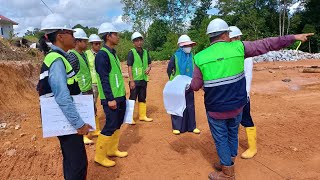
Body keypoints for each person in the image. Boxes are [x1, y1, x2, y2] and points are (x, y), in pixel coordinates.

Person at [190, 18, 313, 180]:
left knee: (221, 138)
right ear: (226, 34)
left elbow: (195, 86)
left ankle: (227, 172)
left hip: (216, 108)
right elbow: (268, 44)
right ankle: (229, 161)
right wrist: (293, 37)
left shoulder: (200, 57)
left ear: (210, 37)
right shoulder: (239, 47)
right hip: (238, 105)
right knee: (233, 134)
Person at [37, 13, 92, 180]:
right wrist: (79, 123)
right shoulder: (57, 60)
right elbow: (62, 97)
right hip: (66, 121)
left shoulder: (59, 57)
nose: (74, 37)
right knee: (77, 164)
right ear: (60, 36)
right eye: (71, 33)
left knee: (72, 160)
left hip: (64, 120)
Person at [94, 22, 128, 167]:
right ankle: (99, 156)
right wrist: (110, 99)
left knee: (118, 123)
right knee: (110, 124)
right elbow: (103, 79)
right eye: (116, 34)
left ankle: (112, 150)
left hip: (119, 95)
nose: (118, 37)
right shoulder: (102, 55)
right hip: (111, 98)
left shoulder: (112, 53)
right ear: (108, 36)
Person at [229, 26, 256, 159]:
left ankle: (252, 147)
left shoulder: (246, 54)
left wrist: (245, 94)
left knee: (245, 118)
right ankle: (233, 143)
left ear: (237, 38)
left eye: (232, 39)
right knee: (232, 119)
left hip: (242, 94)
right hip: (232, 93)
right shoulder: (231, 52)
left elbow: (248, 75)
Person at [167, 34, 200, 135]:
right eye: (186, 46)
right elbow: (169, 70)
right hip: (178, 86)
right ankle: (177, 127)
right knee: (178, 105)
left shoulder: (192, 57)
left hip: (189, 85)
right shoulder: (175, 57)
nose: (188, 48)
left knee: (190, 105)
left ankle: (192, 126)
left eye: (189, 45)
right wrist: (174, 81)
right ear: (181, 47)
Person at [67, 28, 95, 145]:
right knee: (82, 113)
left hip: (87, 88)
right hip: (80, 91)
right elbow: (68, 75)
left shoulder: (82, 54)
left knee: (89, 111)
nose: (86, 43)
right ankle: (82, 136)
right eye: (84, 41)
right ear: (77, 42)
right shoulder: (72, 56)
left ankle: (88, 131)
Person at [127, 32, 152, 125]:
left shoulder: (145, 52)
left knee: (142, 97)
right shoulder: (131, 52)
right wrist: (131, 81)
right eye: (137, 40)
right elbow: (129, 67)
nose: (139, 42)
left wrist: (149, 68)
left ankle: (142, 115)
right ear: (133, 42)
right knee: (132, 98)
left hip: (143, 79)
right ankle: (130, 118)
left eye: (140, 40)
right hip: (135, 80)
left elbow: (149, 63)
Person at [85, 34, 102, 136]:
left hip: (101, 83)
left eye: (99, 43)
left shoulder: (102, 53)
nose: (98, 45)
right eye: (96, 44)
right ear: (91, 44)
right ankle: (90, 129)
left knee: (96, 105)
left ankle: (95, 129)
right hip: (92, 83)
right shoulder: (87, 54)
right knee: (91, 105)